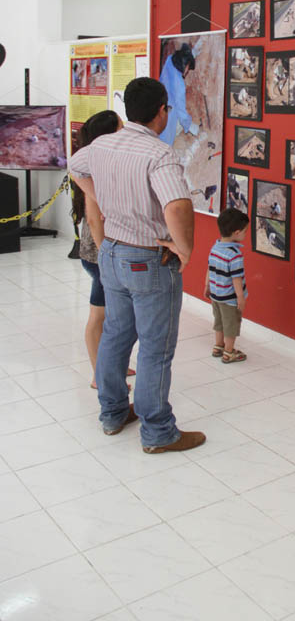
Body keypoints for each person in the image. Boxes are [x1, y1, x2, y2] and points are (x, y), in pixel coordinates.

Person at [69, 77, 206, 454]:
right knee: (155, 347)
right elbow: (177, 206)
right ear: (162, 110)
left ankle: (113, 414)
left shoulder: (103, 144)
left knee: (115, 335)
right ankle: (159, 431)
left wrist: (98, 195)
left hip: (110, 251)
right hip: (147, 258)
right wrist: (186, 250)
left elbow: (74, 164)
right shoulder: (158, 154)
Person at [71, 110, 135, 390]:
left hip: (103, 253)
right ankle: (100, 374)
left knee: (113, 315)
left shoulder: (100, 162)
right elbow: (95, 219)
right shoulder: (93, 169)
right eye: (121, 127)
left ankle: (113, 366)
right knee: (99, 316)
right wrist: (105, 256)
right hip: (100, 256)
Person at [204, 207, 249, 364]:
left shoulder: (215, 247)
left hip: (216, 294)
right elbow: (236, 280)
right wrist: (240, 298)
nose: (245, 234)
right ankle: (229, 352)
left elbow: (210, 268)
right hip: (229, 298)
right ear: (236, 233)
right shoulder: (235, 255)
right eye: (244, 231)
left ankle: (218, 346)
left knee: (219, 321)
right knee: (231, 325)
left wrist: (207, 286)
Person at [159, 41, 201, 146]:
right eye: (188, 67)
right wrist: (191, 127)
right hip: (169, 115)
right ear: (185, 65)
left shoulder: (169, 60)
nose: (187, 71)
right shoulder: (180, 85)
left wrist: (192, 54)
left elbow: (179, 56)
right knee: (166, 141)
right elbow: (182, 112)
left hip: (160, 104)